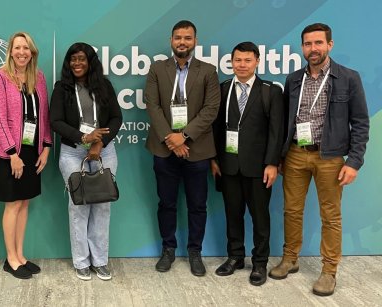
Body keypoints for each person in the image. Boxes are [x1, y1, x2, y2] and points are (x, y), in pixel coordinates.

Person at [269, 23, 369, 296]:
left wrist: (354, 161)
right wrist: (280, 156)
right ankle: (290, 258)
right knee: (291, 210)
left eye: (318, 43)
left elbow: (360, 122)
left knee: (331, 216)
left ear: (330, 45)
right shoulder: (293, 80)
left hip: (331, 157)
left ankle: (329, 271)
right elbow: (286, 121)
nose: (313, 49)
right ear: (302, 47)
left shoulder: (348, 78)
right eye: (307, 44)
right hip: (295, 155)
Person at [144, 20, 220, 276]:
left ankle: (195, 252)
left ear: (195, 41)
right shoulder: (157, 69)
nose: (182, 42)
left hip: (196, 151)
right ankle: (168, 249)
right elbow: (152, 106)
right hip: (164, 150)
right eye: (178, 37)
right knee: (166, 204)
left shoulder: (208, 71)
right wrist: (170, 137)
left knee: (197, 205)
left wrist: (184, 136)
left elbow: (211, 110)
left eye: (187, 38)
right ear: (171, 40)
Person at [210, 42, 283, 286]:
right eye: (237, 60)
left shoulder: (269, 91)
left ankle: (260, 263)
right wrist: (214, 159)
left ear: (257, 61)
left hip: (259, 167)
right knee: (233, 214)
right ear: (231, 62)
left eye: (247, 60)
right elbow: (216, 128)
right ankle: (235, 257)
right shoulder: (223, 89)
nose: (242, 65)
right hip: (228, 166)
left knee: (260, 217)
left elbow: (276, 132)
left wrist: (273, 163)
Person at [50, 42, 123, 281]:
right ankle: (81, 261)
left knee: (102, 206)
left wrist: (99, 142)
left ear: (90, 61)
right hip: (73, 152)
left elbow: (116, 117)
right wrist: (84, 137)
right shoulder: (61, 88)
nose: (77, 63)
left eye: (82, 59)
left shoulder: (104, 85)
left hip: (104, 151)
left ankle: (100, 261)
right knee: (79, 206)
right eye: (73, 59)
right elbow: (56, 122)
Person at [0, 32, 52, 279]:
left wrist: (46, 147)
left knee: (25, 202)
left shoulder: (38, 77)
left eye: (26, 48)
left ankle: (20, 254)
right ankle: (10, 259)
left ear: (32, 51)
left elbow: (44, 116)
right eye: (17, 48)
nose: (22, 52)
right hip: (10, 152)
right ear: (10, 51)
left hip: (32, 149)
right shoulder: (0, 77)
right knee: (13, 204)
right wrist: (11, 154)